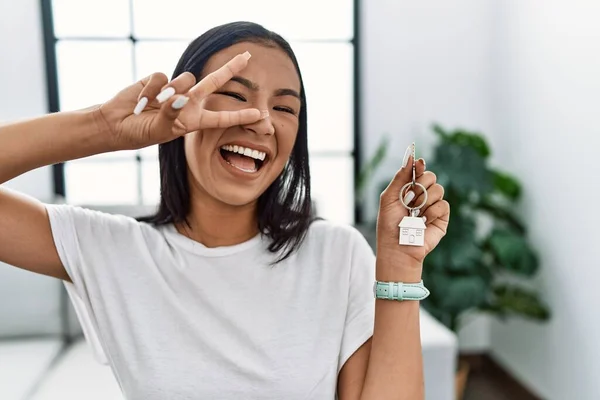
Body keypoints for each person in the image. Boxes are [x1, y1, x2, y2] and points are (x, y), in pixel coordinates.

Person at [0, 21, 449, 399]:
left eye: (284, 107)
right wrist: (103, 128)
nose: (262, 120)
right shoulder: (110, 250)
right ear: (181, 106)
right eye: (235, 96)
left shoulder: (335, 253)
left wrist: (399, 266)